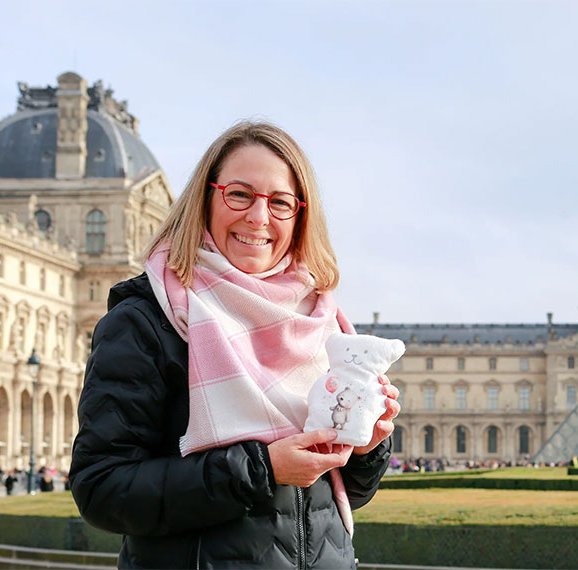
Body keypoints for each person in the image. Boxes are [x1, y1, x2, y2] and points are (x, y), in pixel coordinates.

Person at [69, 121, 399, 569]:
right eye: (239, 195)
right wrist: (261, 470)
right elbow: (102, 489)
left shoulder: (324, 322)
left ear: (300, 215)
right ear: (207, 197)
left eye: (280, 202)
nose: (258, 218)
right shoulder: (147, 320)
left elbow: (340, 499)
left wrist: (364, 448)